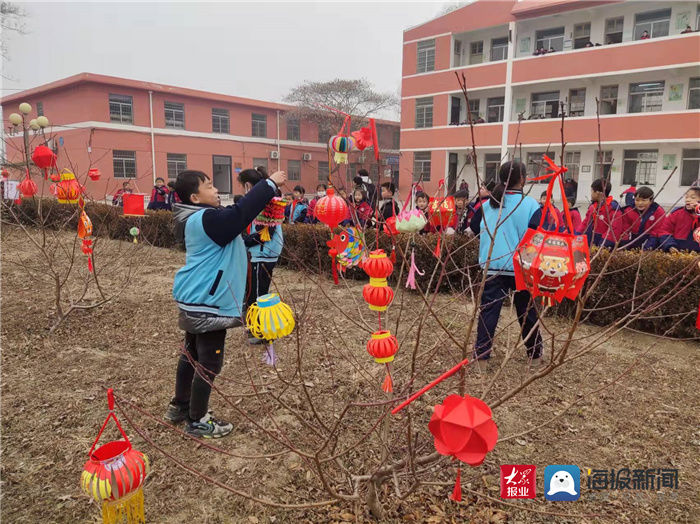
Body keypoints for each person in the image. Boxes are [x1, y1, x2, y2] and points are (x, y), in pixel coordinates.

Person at [165, 168, 287, 438]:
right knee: (209, 361)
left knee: (190, 355)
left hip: (195, 297)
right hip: (208, 301)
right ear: (195, 198)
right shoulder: (206, 218)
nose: (216, 190)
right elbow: (240, 214)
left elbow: (234, 230)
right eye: (209, 186)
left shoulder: (196, 218)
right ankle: (198, 419)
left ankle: (180, 405)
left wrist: (256, 236)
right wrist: (268, 184)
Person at [474, 161, 543, 366]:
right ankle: (535, 355)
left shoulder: (487, 204)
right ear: (523, 179)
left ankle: (481, 358)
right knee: (527, 312)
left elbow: (474, 226)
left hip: (492, 265)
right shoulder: (531, 205)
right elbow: (537, 236)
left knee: (489, 312)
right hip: (521, 267)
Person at [240, 166, 285, 345]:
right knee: (257, 292)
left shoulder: (267, 202)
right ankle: (259, 329)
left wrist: (245, 240)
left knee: (258, 295)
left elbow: (266, 233)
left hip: (263, 254)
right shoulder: (265, 199)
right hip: (262, 253)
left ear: (247, 186)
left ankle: (260, 332)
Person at [580, 178, 622, 248]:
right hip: (590, 242)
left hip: (602, 245)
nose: (591, 193)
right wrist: (576, 235)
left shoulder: (613, 209)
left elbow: (614, 230)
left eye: (592, 191)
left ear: (598, 193)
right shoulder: (593, 207)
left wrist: (603, 245)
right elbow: (585, 223)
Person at [657, 187, 700, 253]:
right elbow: (664, 231)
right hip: (678, 255)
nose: (687, 200)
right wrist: (670, 245)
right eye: (686, 197)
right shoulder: (676, 214)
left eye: (693, 198)